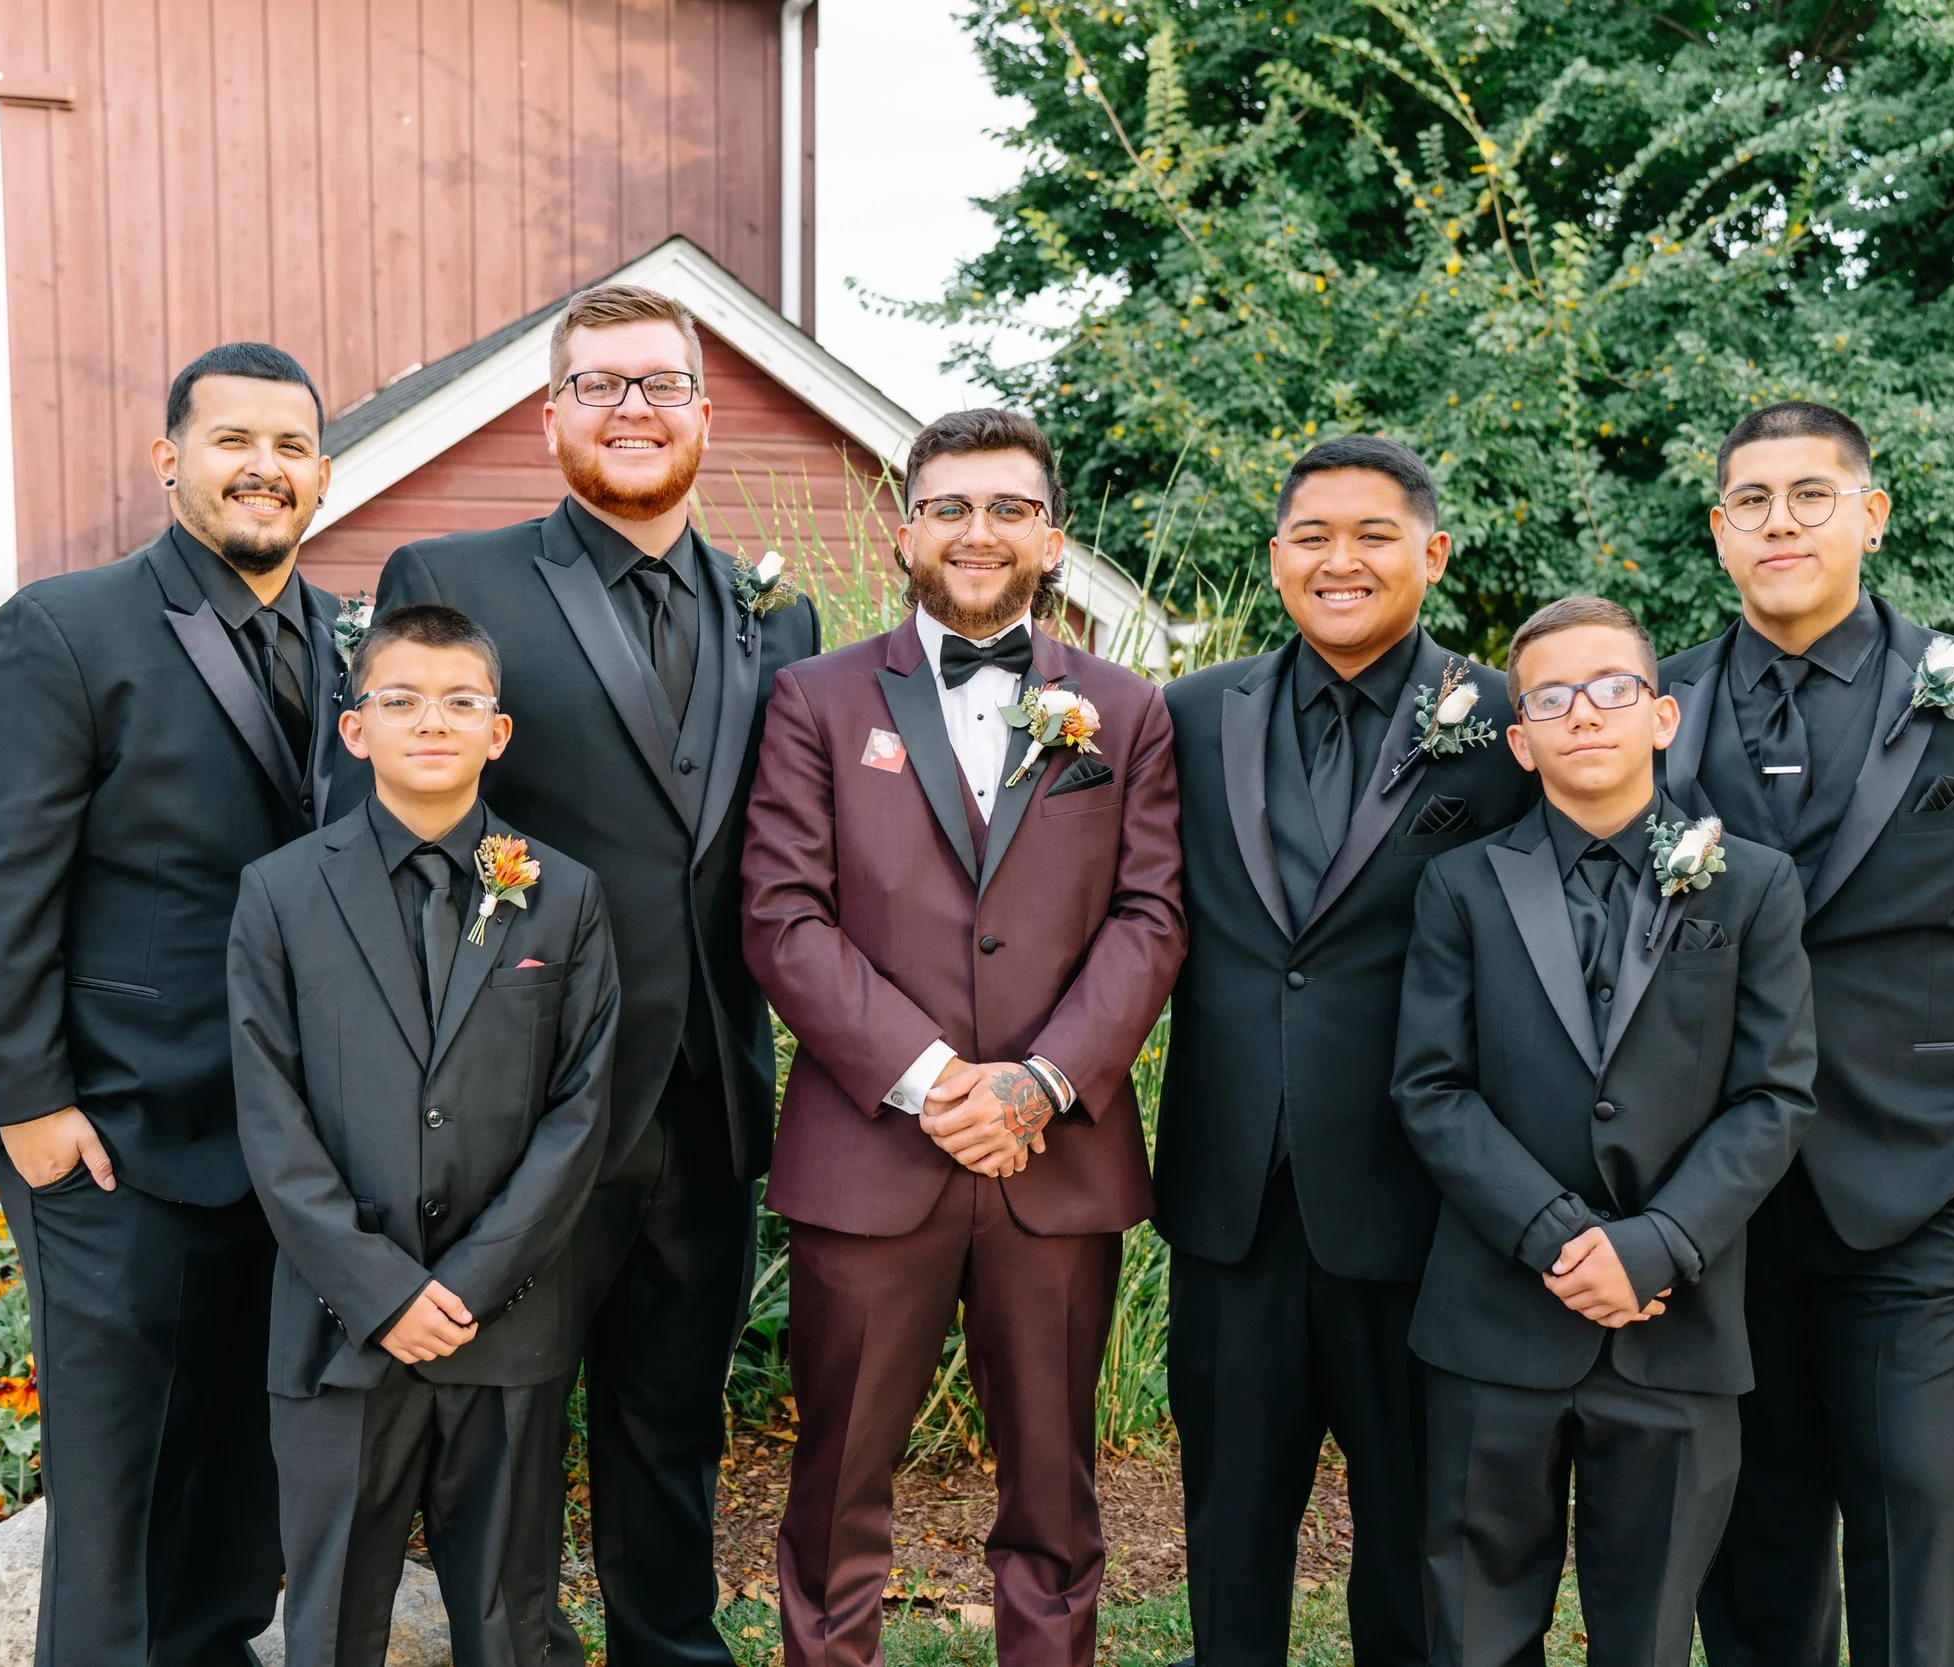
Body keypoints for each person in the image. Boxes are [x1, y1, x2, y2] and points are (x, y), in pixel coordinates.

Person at [364, 282, 818, 1667]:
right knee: (504, 1423)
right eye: (602, 384)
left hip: (707, 1096)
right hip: (521, 1096)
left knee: (671, 1415)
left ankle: (670, 1645)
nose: (634, 408)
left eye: (659, 384)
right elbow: (386, 842)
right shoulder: (457, 581)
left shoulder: (774, 615)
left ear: (702, 411)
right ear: (552, 412)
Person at [1667, 402, 1954, 1667]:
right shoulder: (1654, 708)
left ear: (1870, 515)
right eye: (1750, 500)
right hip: (1715, 1207)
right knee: (1752, 1547)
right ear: (1718, 532)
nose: (1780, 521)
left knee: (1914, 1519)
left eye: (1811, 495)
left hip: (1926, 1193)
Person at [741, 408, 1186, 1667]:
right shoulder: (814, 698)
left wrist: (1041, 1082)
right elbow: (781, 914)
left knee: (1054, 1495)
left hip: (1057, 1165)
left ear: (1051, 536)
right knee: (833, 1492)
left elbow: (1151, 917)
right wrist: (937, 1080)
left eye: (1005, 507)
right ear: (906, 530)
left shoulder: (1124, 710)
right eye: (949, 506)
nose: (975, 530)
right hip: (871, 1153)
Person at [0, 343, 351, 1665]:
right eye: (233, 440)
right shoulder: (68, 628)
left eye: (290, 446)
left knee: (236, 1486)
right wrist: (31, 1108)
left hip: (284, 1149)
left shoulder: (350, 642)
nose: (264, 468)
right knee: (116, 1504)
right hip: (110, 1139)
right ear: (169, 458)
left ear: (324, 474)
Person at [1153, 436, 1537, 1667]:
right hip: (1233, 1201)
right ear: (1276, 559)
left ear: (1429, 552)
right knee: (1230, 1533)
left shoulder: (1500, 726)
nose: (1341, 559)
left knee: (1420, 1541)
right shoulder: (1194, 713)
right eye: (1312, 534)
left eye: (1374, 534)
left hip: (1418, 1203)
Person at [1393, 595, 1818, 1667]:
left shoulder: (1753, 882)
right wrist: (1551, 1233)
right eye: (1551, 696)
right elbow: (1431, 1086)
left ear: (1662, 716)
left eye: (1612, 688)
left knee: (1649, 1632)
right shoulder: (1459, 884)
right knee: (1476, 1628)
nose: (1585, 712)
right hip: (1494, 1318)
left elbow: (1773, 1095)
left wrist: (1654, 1242)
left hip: (1677, 1321)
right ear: (1519, 738)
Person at [228, 603, 621, 1667]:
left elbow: (580, 1109)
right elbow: (270, 1110)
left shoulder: (565, 896)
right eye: (399, 700)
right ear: (356, 729)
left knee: (506, 1613)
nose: (429, 721)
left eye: (459, 701)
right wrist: (380, 1288)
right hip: (340, 1325)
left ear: (498, 732)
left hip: (506, 1323)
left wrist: (474, 1280)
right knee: (330, 1621)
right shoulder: (279, 893)